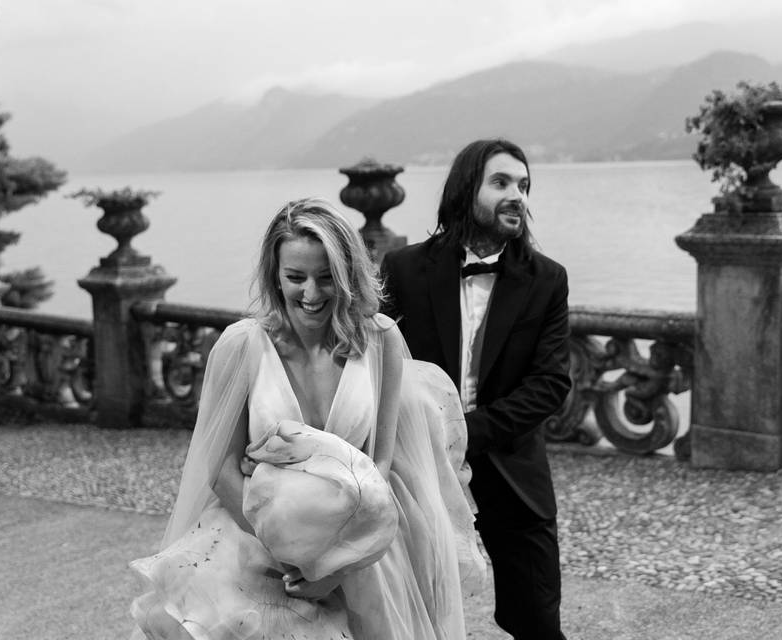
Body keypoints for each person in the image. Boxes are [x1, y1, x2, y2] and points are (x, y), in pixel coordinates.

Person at [128, 198, 485, 640]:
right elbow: (220, 469)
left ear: (348, 274)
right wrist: (294, 560)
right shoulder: (241, 347)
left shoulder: (381, 341)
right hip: (254, 543)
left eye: (326, 278)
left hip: (358, 551)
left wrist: (337, 564)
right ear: (274, 275)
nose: (311, 295)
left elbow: (383, 466)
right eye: (295, 277)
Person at [381, 138, 572, 640]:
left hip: (511, 467)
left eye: (524, 186)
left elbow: (551, 384)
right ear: (467, 191)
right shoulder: (403, 269)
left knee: (537, 620)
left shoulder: (548, 280)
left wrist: (465, 431)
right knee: (413, 609)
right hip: (419, 465)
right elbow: (377, 362)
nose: (518, 196)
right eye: (502, 182)